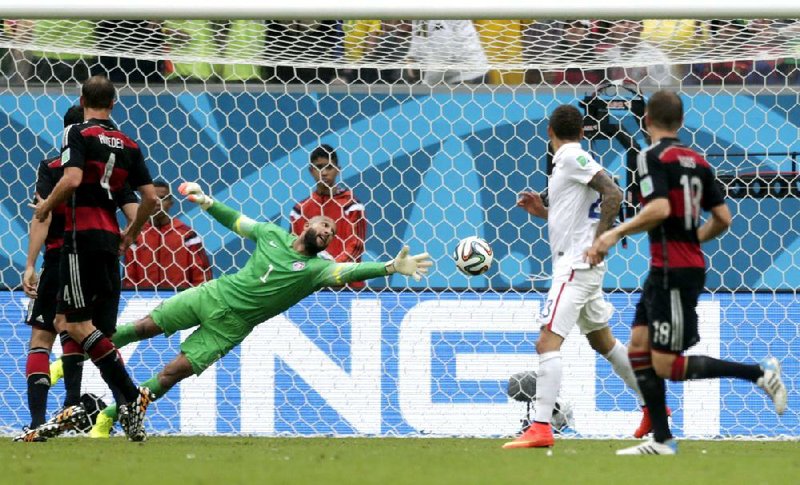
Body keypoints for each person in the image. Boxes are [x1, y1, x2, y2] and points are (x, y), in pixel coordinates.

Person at [87, 181, 431, 437]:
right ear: (306, 225)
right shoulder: (270, 234)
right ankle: (71, 357)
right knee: (144, 327)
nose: (326, 232)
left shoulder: (317, 269)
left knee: (173, 372)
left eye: (332, 232)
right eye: (323, 225)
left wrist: (387, 267)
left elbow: (348, 272)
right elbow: (237, 221)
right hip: (213, 294)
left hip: (232, 326)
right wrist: (206, 201)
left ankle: (111, 415)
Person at [586, 90, 787, 455]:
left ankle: (759, 373)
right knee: (638, 349)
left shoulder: (649, 155)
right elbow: (724, 218)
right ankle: (661, 439)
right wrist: (696, 237)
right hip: (670, 267)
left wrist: (613, 233)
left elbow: (659, 208)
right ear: (680, 122)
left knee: (665, 365)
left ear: (646, 119)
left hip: (674, 270)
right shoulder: (698, 161)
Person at [503, 104, 648, 450]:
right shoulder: (566, 165)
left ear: (549, 133)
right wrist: (544, 212)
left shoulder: (570, 156)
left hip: (576, 267)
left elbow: (612, 192)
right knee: (604, 343)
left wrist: (600, 240)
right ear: (583, 132)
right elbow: (573, 219)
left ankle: (540, 427)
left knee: (547, 342)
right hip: (581, 266)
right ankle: (653, 408)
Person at [32, 75, 158, 442]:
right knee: (87, 328)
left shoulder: (79, 135)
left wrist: (45, 208)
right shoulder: (128, 143)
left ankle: (131, 398)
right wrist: (130, 235)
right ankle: (118, 405)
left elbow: (71, 180)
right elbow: (149, 199)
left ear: (83, 98)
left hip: (78, 241)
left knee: (74, 325)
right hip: (109, 242)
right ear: (114, 104)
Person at [290, 145, 367, 288]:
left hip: (348, 285)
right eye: (319, 167)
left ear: (338, 169)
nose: (324, 172)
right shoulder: (299, 210)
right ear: (311, 170)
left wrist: (331, 268)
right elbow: (292, 247)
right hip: (311, 285)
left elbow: (356, 246)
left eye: (329, 167)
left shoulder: (351, 205)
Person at [124, 180, 212, 290]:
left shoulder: (187, 235)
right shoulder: (137, 236)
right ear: (145, 202)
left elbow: (201, 277)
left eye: (162, 198)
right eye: (154, 199)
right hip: (145, 302)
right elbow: (129, 280)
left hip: (181, 302)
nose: (157, 203)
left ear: (170, 203)